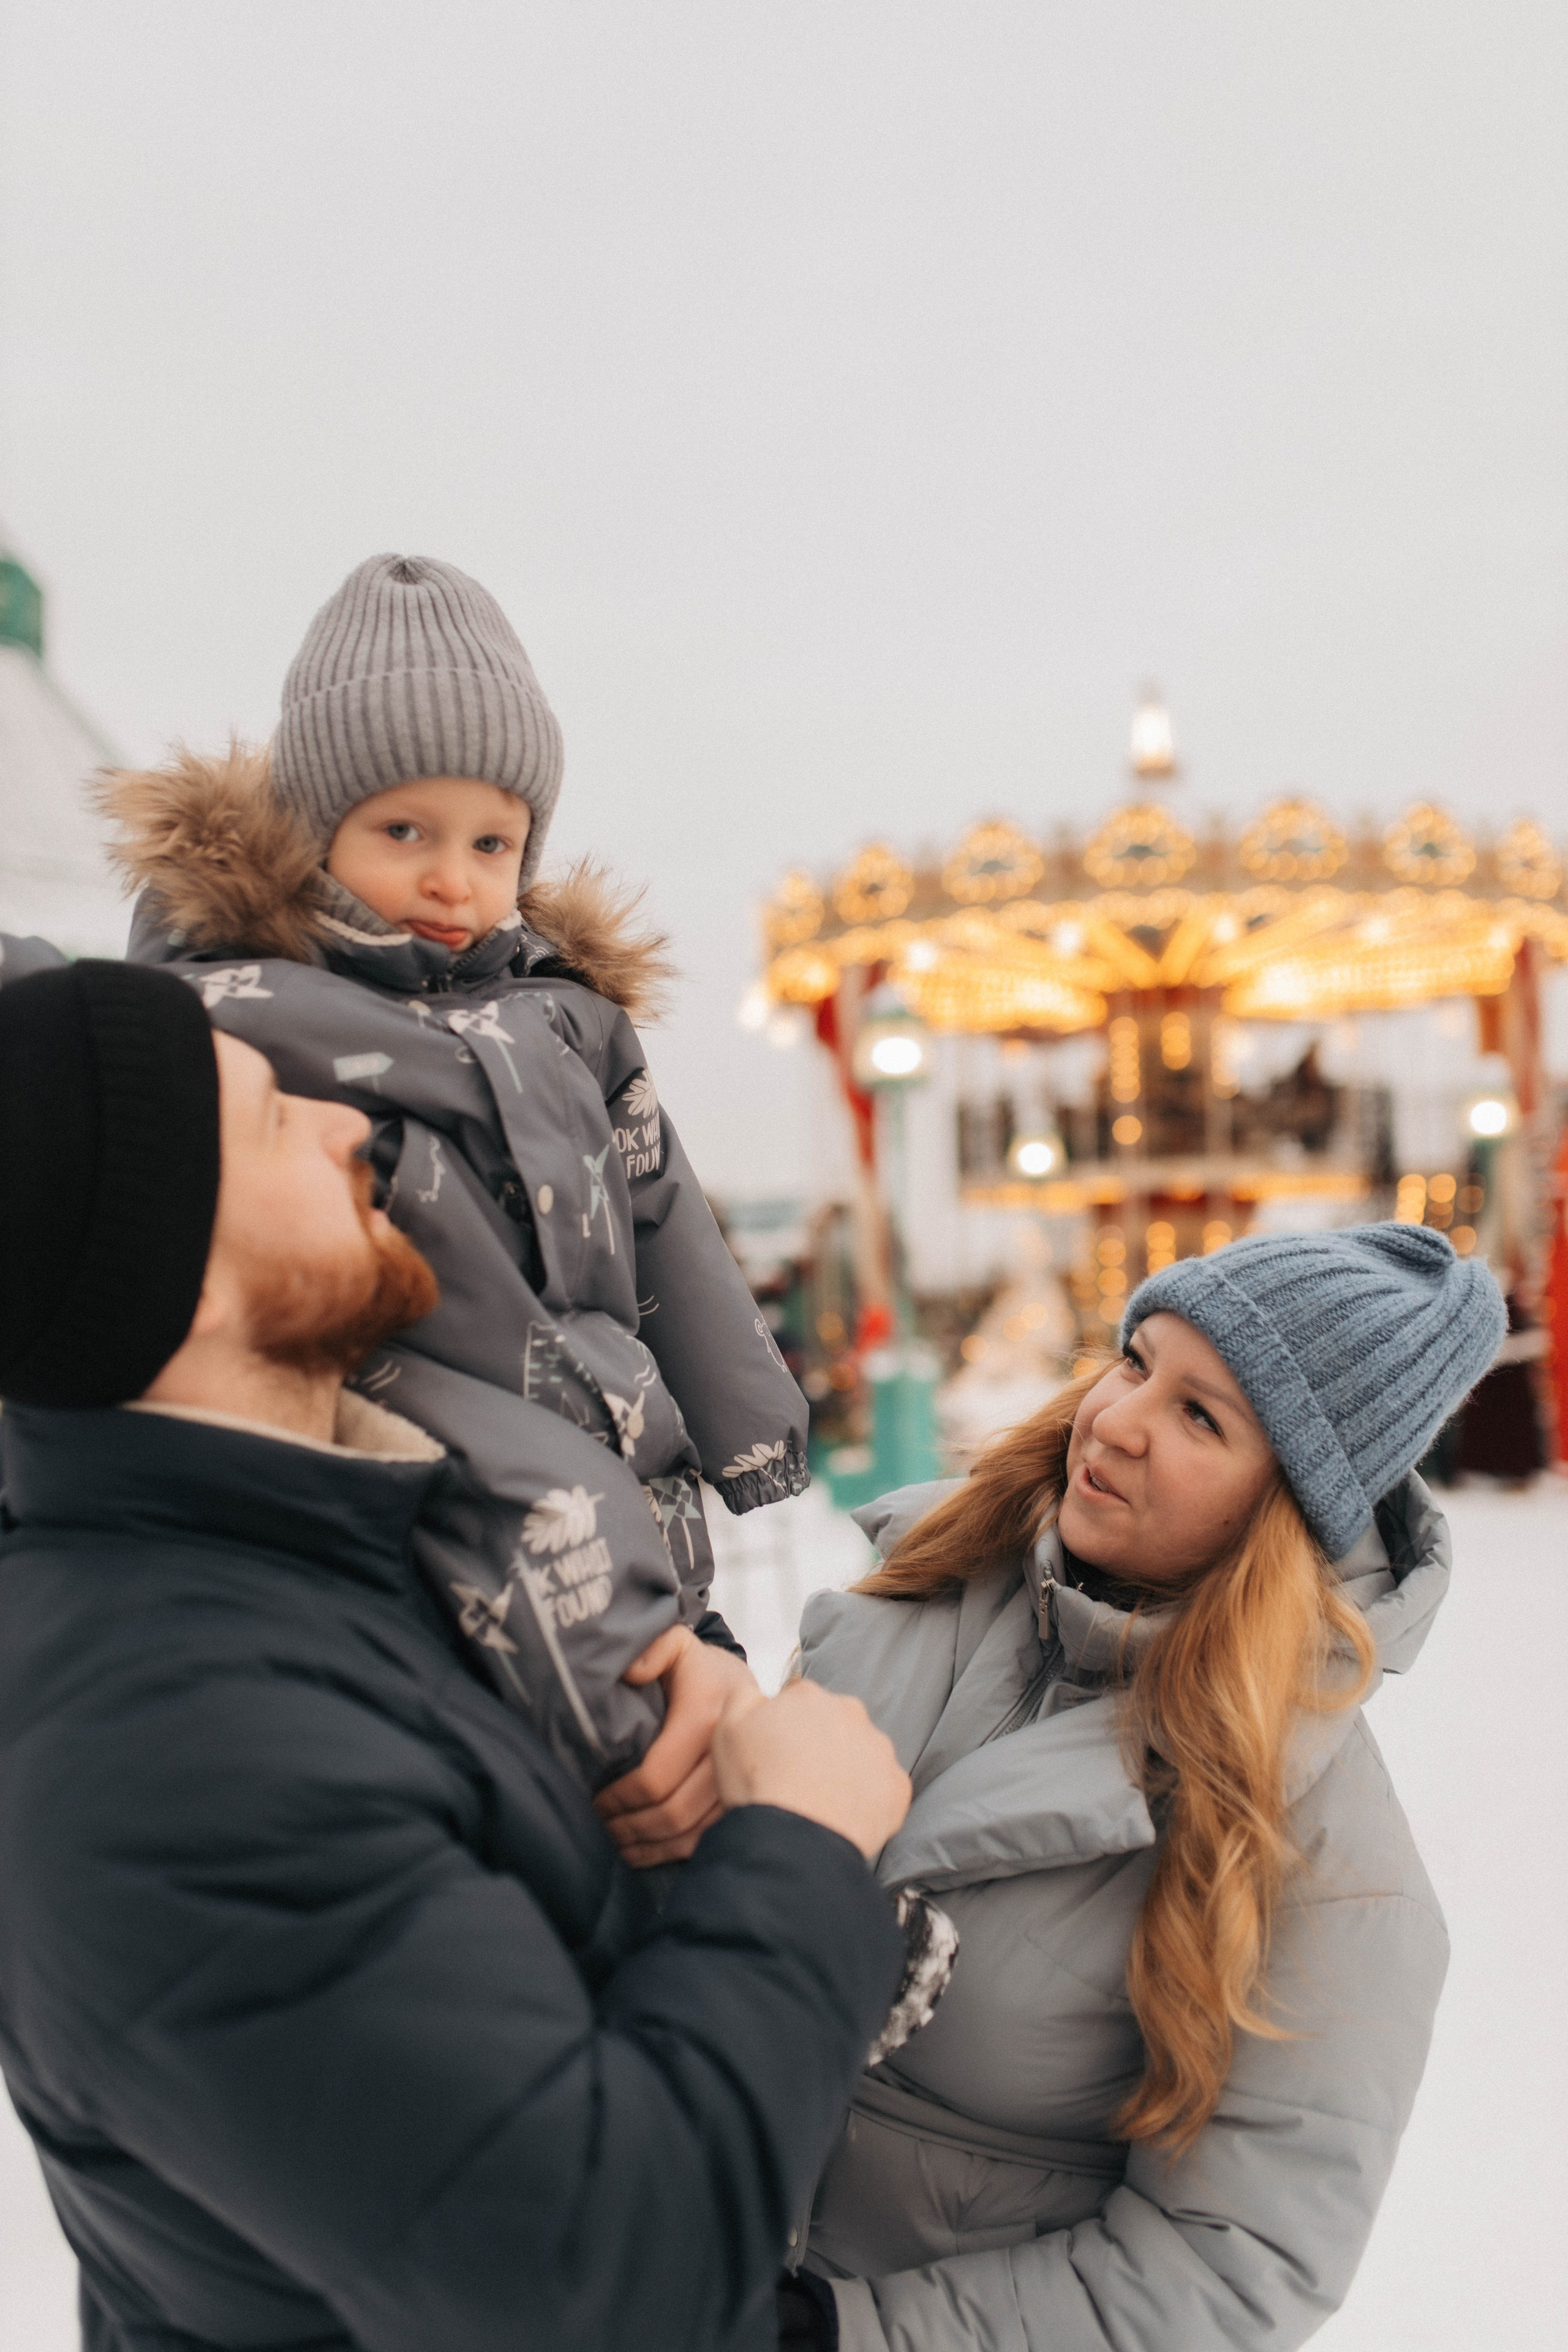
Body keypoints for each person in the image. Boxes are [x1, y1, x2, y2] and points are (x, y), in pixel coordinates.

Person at [0, 957, 913, 2352]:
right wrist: (799, 1843)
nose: (350, 1126)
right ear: (163, 1267)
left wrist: (670, 1704)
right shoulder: (164, 1755)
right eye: (271, 1120)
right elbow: (601, 2278)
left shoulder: (308, 1553)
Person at [93, 551, 807, 1825]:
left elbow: (661, 1214)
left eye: (492, 843)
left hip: (607, 1419)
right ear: (313, 832)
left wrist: (749, 1426)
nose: (451, 879)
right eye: (403, 833)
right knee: (586, 1667)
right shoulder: (252, 1007)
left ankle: (733, 1841)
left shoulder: (568, 1018)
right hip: (416, 1407)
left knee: (673, 1641)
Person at [796, 1224, 1505, 2352]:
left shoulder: (1325, 1864)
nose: (1117, 1422)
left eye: (1200, 1418)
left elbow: (1225, 2269)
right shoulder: (925, 1577)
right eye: (1136, 1362)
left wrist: (833, 2332)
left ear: (1284, 1512)